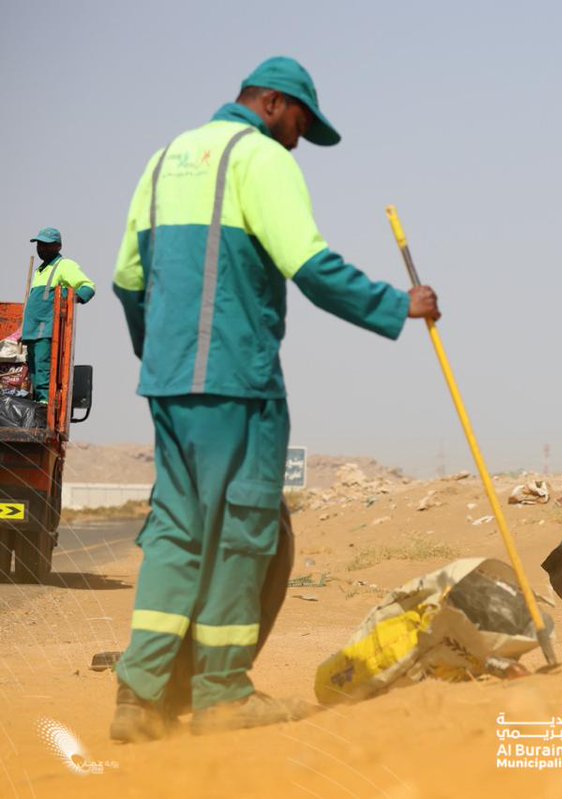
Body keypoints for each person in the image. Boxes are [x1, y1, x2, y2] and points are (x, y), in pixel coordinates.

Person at [110, 56, 441, 742]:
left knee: (175, 532)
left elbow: (125, 278)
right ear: (271, 104)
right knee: (243, 530)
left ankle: (139, 699)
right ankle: (222, 692)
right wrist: (397, 304)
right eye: (300, 123)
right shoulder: (259, 158)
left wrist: (160, 355)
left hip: (169, 386)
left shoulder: (165, 158)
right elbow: (311, 266)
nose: (300, 139)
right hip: (239, 381)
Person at [24, 228, 95, 407]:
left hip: (45, 329)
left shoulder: (64, 265)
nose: (41, 248)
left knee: (43, 369)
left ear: (58, 246)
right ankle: (37, 403)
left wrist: (72, 300)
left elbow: (88, 286)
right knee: (33, 372)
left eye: (46, 245)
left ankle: (44, 407)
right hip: (32, 331)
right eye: (39, 244)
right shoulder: (40, 270)